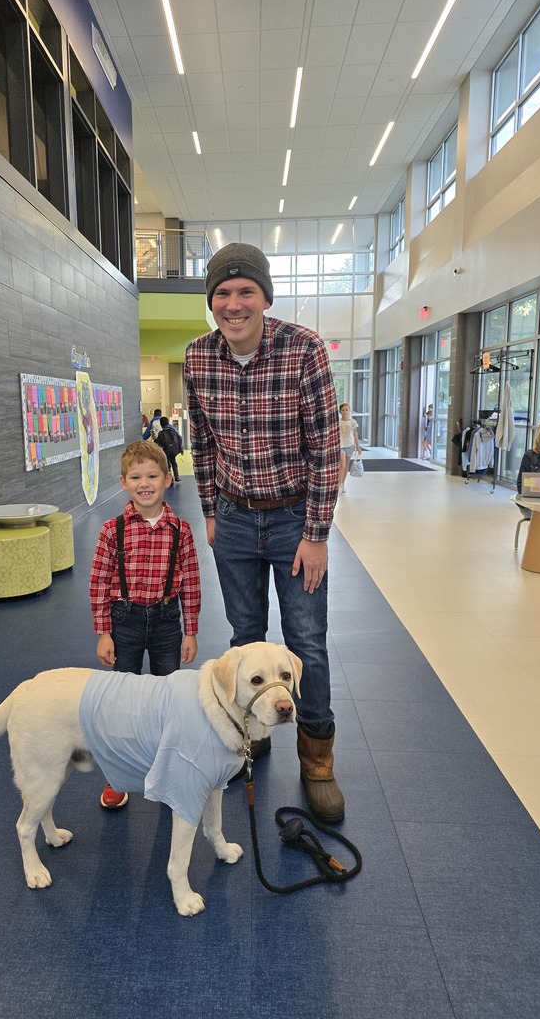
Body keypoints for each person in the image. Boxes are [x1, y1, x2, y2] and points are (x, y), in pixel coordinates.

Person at [184, 241, 345, 823]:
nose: (233, 303)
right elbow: (200, 442)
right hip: (231, 516)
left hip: (293, 520)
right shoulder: (198, 357)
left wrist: (317, 532)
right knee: (243, 638)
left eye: (245, 291)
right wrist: (208, 508)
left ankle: (318, 758)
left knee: (306, 644)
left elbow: (328, 447)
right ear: (212, 302)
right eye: (222, 293)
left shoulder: (304, 350)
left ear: (264, 296)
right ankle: (248, 735)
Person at [89, 440, 201, 808]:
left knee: (170, 695)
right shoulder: (112, 529)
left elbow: (192, 580)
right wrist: (104, 631)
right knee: (122, 697)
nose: (145, 482)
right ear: (123, 482)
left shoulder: (180, 530)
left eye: (152, 475)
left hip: (168, 621)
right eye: (136, 477)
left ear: (168, 479)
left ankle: (169, 768)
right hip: (126, 621)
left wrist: (191, 630)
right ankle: (118, 775)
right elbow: (99, 582)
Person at [338, 402, 361, 491]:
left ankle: (343, 484)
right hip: (340, 446)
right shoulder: (338, 422)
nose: (345, 412)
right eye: (343, 410)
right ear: (340, 412)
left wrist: (358, 447)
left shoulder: (353, 422)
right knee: (342, 465)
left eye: (346, 410)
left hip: (350, 445)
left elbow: (355, 435)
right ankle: (339, 485)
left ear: (349, 410)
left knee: (346, 465)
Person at [155, 415, 183, 484]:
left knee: (167, 464)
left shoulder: (161, 433)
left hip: (166, 451)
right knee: (174, 462)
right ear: (168, 423)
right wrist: (180, 449)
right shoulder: (173, 431)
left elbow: (158, 442)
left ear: (161, 424)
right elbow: (179, 438)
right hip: (174, 450)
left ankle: (171, 480)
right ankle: (177, 476)